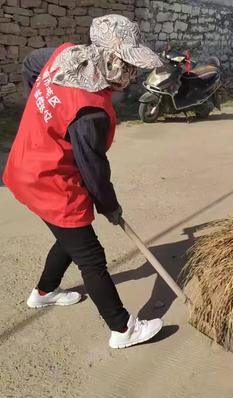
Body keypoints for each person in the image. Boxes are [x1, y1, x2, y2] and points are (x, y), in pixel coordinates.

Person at [3, 15, 164, 349]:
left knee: (68, 236)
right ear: (107, 57)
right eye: (126, 64)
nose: (132, 75)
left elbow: (32, 64)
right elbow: (94, 172)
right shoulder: (90, 111)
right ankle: (123, 329)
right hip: (50, 183)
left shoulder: (64, 55)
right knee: (91, 257)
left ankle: (44, 292)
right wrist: (111, 207)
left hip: (24, 166)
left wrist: (41, 107)